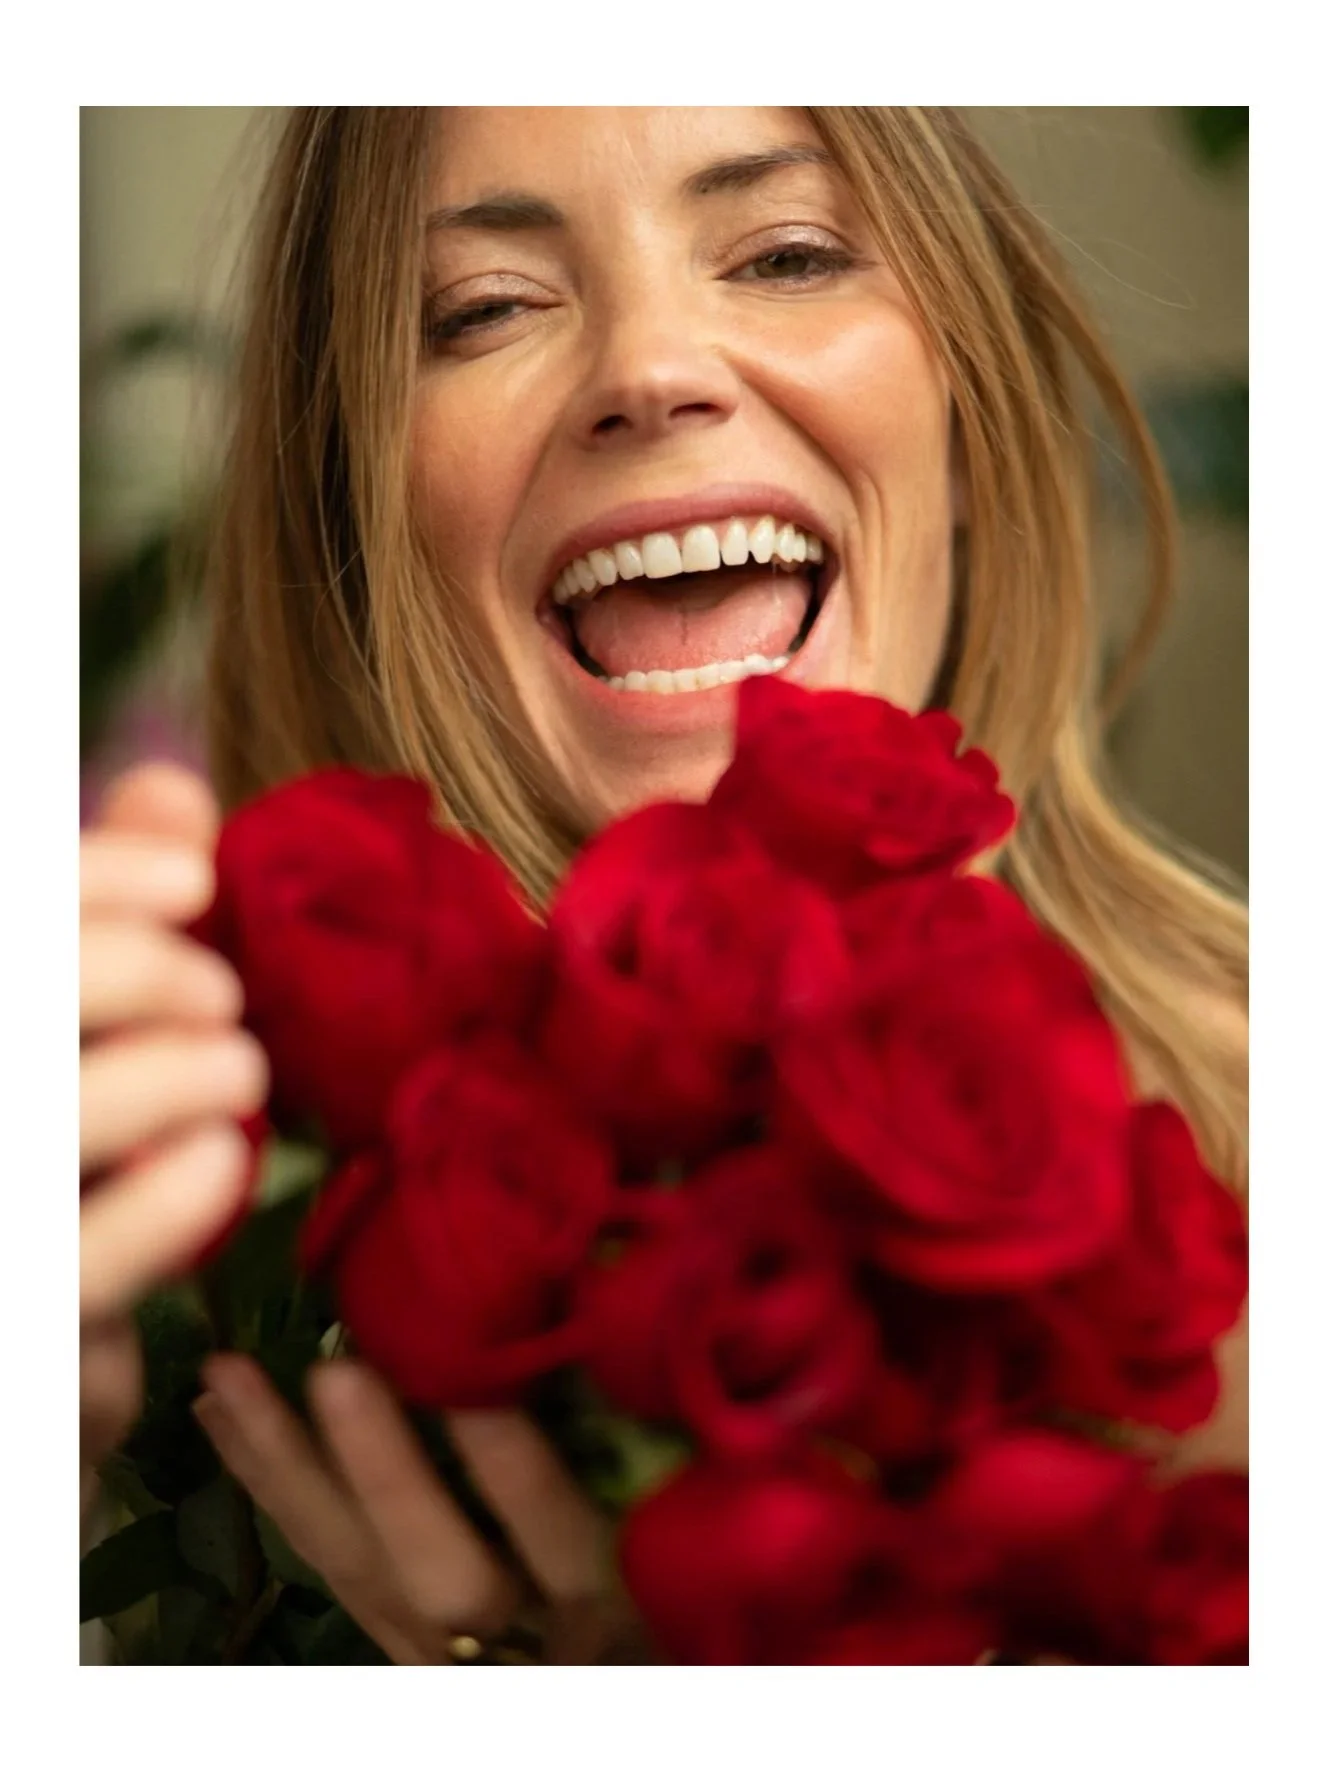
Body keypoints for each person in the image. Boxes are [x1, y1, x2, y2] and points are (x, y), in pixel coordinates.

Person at [79, 107, 1249, 1664]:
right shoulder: (173, 1276)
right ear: (352, 525)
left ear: (966, 429)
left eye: (788, 254)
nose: (649, 368)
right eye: (484, 307)